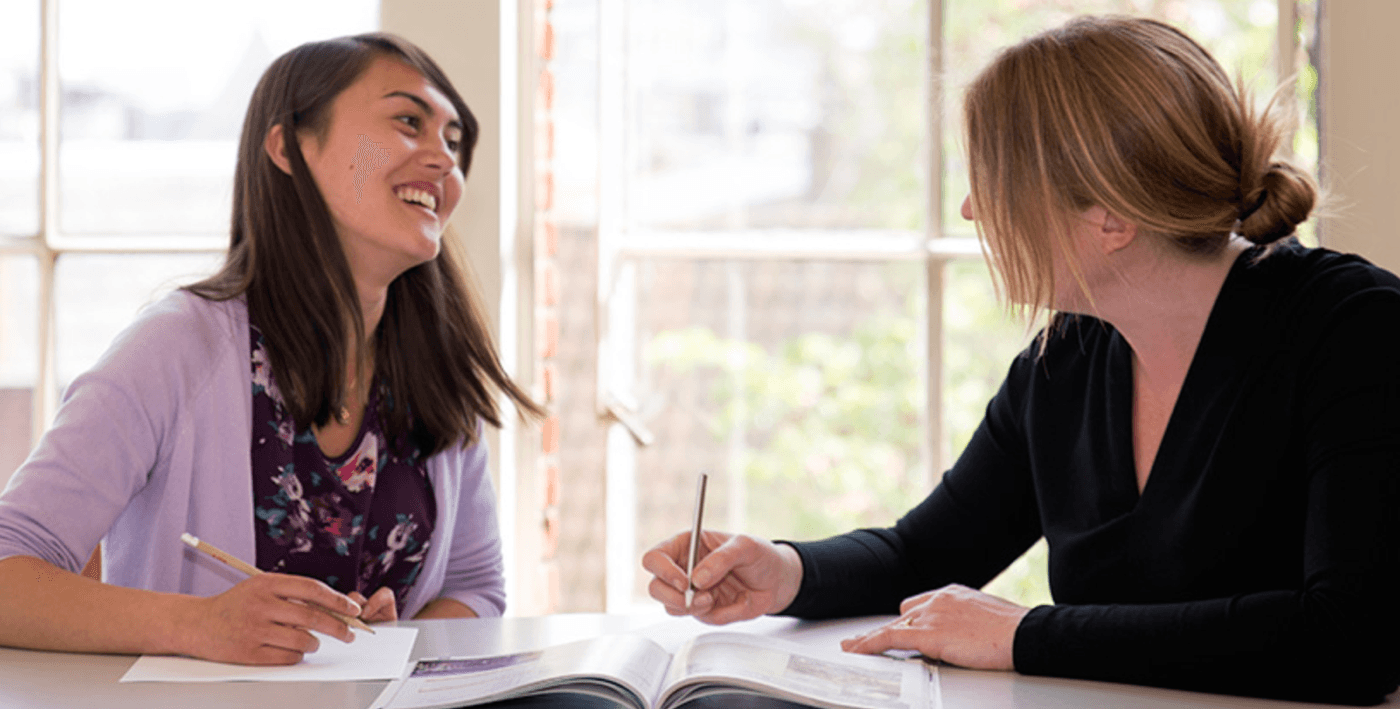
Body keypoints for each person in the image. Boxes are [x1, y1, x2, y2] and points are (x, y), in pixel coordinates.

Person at [643, 16, 1400, 706]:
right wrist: (785, 571)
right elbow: (923, 551)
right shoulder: (1063, 360)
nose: (974, 209)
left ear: (1108, 216)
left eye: (998, 179)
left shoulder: (1355, 331)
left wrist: (1020, 633)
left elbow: (1351, 640)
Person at [0, 33, 542, 665]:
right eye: (407, 122)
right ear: (288, 148)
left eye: (453, 142)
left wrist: (391, 640)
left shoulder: (435, 368)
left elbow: (475, 589)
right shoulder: (174, 347)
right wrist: (198, 625)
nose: (444, 162)